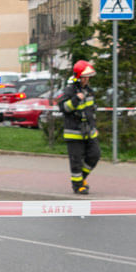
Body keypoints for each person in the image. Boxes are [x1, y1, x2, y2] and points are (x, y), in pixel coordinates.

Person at [56, 60, 99, 194]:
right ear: (79, 77)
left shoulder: (89, 91)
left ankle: (82, 178)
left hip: (89, 131)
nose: (87, 79)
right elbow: (63, 107)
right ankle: (77, 186)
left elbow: (91, 111)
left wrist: (94, 127)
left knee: (95, 155)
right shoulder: (70, 90)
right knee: (76, 161)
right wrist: (76, 99)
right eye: (85, 76)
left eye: (88, 76)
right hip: (74, 132)